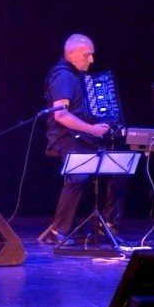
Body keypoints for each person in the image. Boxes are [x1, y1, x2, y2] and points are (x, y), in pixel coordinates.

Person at [37, 34, 126, 245]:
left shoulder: (78, 75)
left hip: (83, 136)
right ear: (72, 53)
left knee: (120, 168)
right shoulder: (63, 76)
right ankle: (57, 231)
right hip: (65, 137)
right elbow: (61, 115)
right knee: (79, 176)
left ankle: (109, 225)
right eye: (87, 55)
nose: (91, 60)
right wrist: (92, 129)